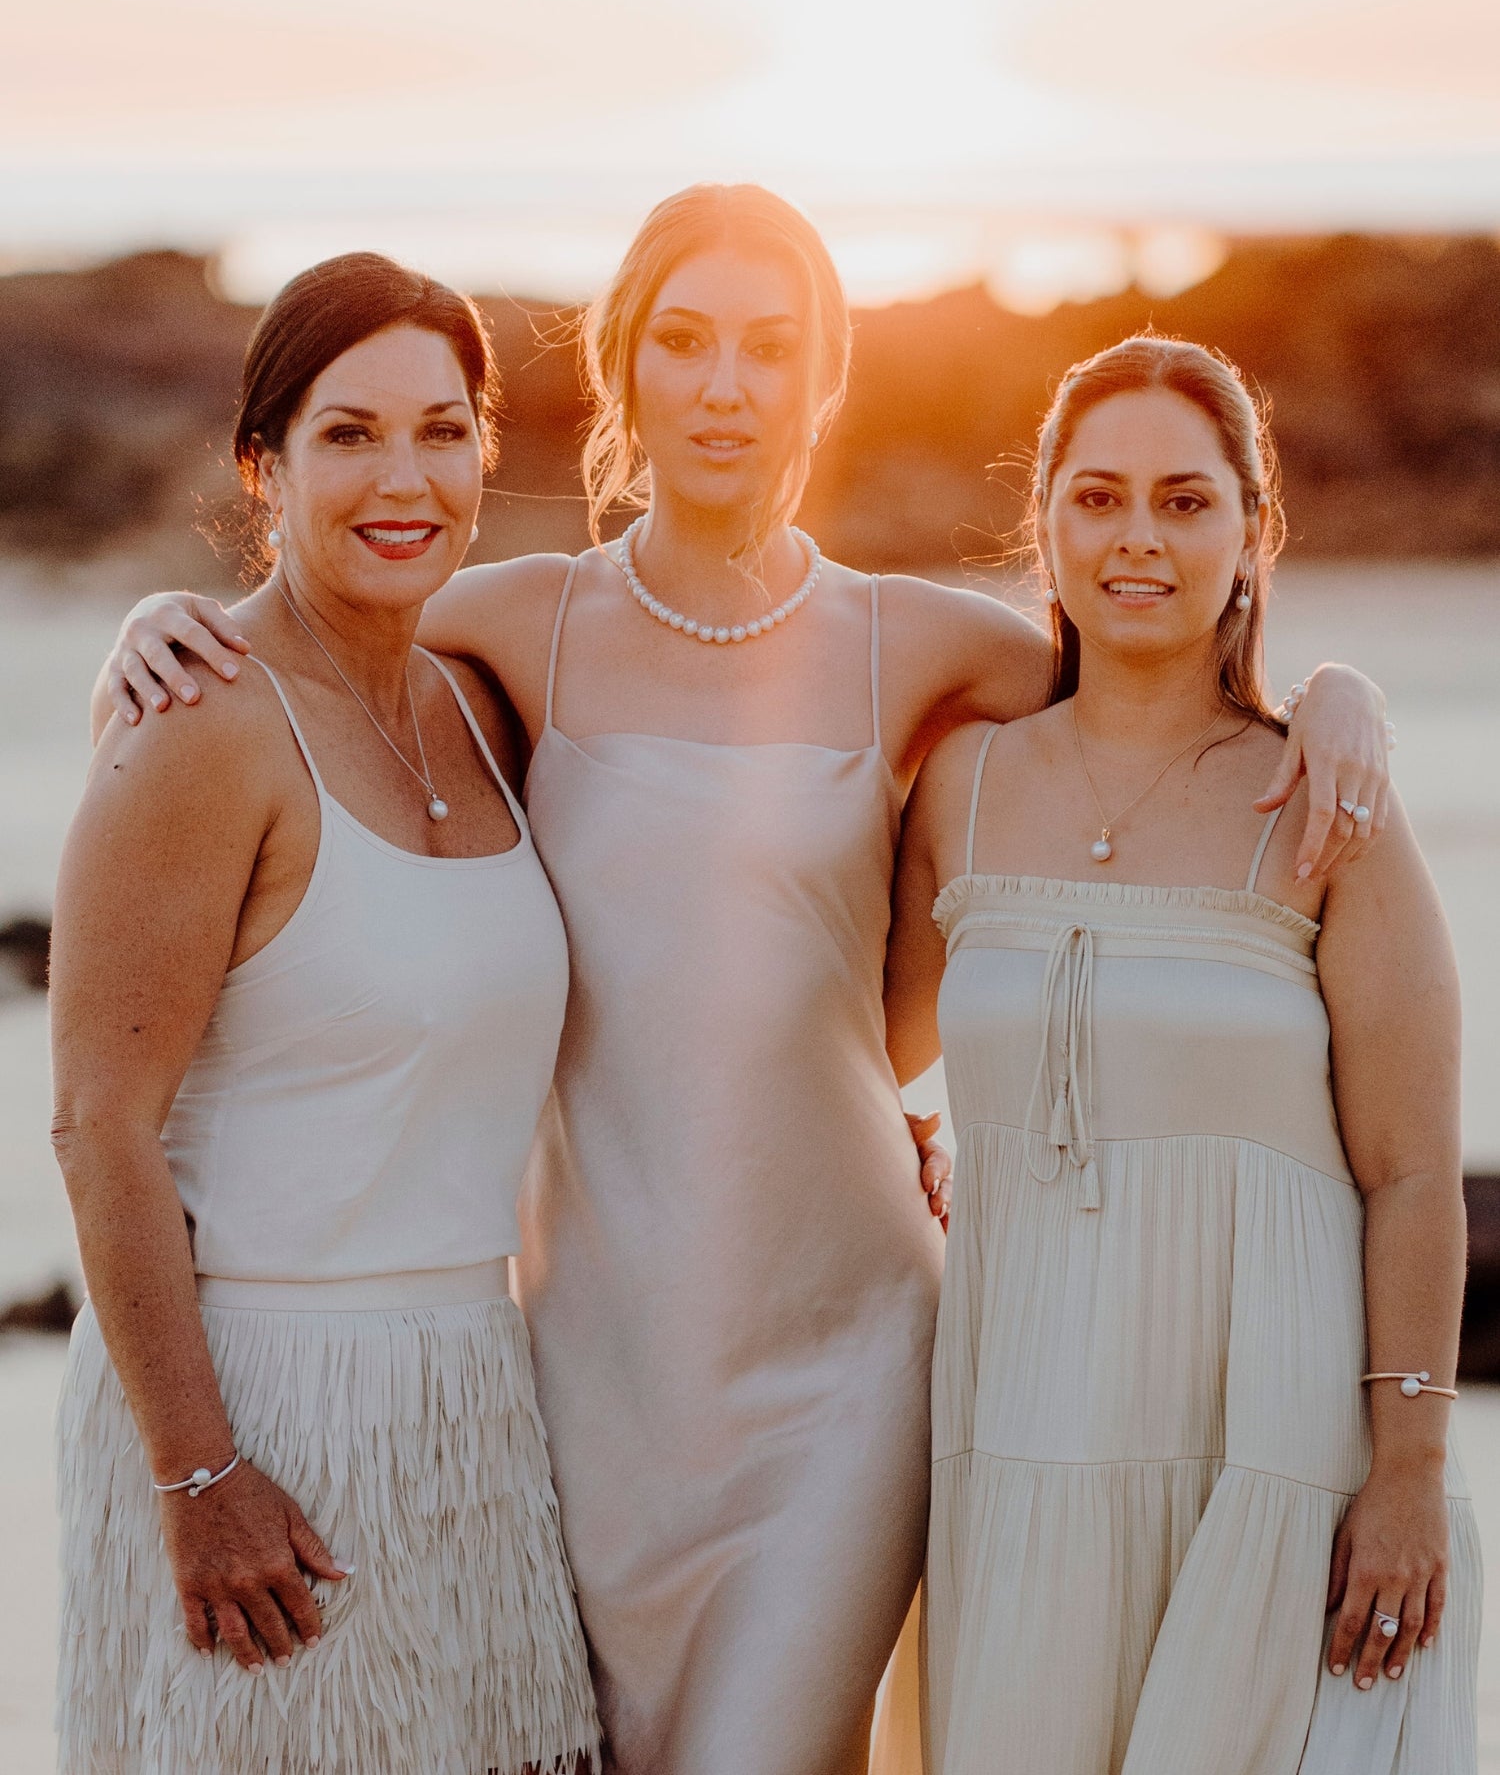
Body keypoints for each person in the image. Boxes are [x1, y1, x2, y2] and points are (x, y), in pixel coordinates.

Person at [94, 188, 1392, 1775]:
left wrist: (1331, 693)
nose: (727, 386)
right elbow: (313, 630)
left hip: (843, 1358)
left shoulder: (909, 642)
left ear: (824, 379)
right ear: (625, 370)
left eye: (772, 349)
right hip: (577, 1374)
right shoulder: (516, 623)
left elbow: (1162, 645)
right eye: (687, 343)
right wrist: (159, 632)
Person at [884, 334, 1480, 1774]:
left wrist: (1407, 1472)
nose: (1137, 539)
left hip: (1272, 1452)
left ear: (1252, 531)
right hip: (1021, 1433)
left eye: (1184, 500)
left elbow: (1411, 1173)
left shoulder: (1330, 802)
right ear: (1046, 523)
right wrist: (890, 1137)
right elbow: (856, 1047)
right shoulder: (959, 787)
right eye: (1096, 499)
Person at [50, 253, 599, 1775]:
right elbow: (98, 1127)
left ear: (487, 450)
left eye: (440, 429)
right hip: (257, 1408)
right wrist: (197, 1472)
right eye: (349, 434)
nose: (401, 476)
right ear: (265, 465)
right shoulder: (200, 724)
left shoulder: (486, 708)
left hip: (478, 1410)